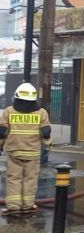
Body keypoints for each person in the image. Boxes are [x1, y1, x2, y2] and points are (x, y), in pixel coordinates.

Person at [0, 83, 52, 216]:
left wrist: (0, 146)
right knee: (30, 179)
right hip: (33, 153)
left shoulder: (9, 111)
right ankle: (28, 206)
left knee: (14, 179)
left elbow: (2, 132)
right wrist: (48, 145)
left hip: (13, 152)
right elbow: (46, 133)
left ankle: (14, 207)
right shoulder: (41, 113)